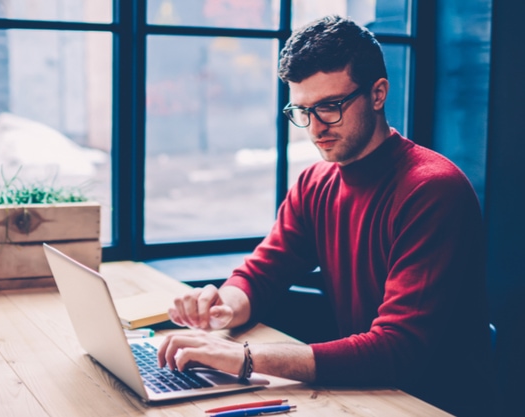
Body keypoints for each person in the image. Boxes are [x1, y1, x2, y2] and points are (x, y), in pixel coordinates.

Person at [157, 15, 492, 417]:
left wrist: (245, 358)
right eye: (302, 110)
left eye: (330, 107)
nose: (315, 128)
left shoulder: (432, 190)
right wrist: (224, 307)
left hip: (429, 403)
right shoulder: (315, 182)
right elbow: (263, 273)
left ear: (378, 93)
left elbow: (398, 349)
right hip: (363, 394)